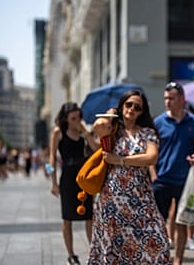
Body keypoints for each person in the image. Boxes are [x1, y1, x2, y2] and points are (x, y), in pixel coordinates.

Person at [87, 90, 171, 264]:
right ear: (122, 106)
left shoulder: (147, 132)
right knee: (113, 246)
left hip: (140, 196)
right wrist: (110, 116)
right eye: (128, 104)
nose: (132, 109)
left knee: (158, 240)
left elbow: (151, 157)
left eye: (137, 107)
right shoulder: (113, 131)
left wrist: (120, 160)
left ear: (142, 111)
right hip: (112, 198)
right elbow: (98, 128)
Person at [153, 82, 194, 265]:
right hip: (162, 179)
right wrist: (153, 174)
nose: (167, 101)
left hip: (185, 180)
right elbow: (151, 150)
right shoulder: (158, 123)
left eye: (171, 98)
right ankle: (161, 258)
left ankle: (178, 261)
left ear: (182, 100)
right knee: (159, 224)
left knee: (182, 222)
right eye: (166, 98)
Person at [48, 102, 99, 265]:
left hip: (83, 175)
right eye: (73, 118)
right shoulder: (58, 132)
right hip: (68, 176)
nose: (77, 121)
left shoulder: (83, 131)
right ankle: (71, 254)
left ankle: (93, 252)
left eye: (79, 117)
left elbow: (97, 150)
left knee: (89, 215)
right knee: (67, 217)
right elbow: (50, 159)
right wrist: (53, 183)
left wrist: (86, 133)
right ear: (66, 119)